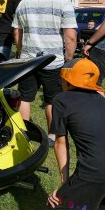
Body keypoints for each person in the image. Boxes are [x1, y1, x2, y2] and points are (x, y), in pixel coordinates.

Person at [12, 0, 77, 147]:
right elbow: (70, 36)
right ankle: (51, 137)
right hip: (53, 60)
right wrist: (69, 59)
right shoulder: (64, 3)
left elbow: (17, 33)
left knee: (25, 98)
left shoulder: (24, 2)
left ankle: (25, 134)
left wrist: (20, 51)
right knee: (52, 100)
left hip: (28, 60)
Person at [47, 58, 105, 209]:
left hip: (94, 172)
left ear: (67, 81)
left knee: (56, 203)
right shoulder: (103, 98)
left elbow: (60, 143)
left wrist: (64, 182)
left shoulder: (61, 100)